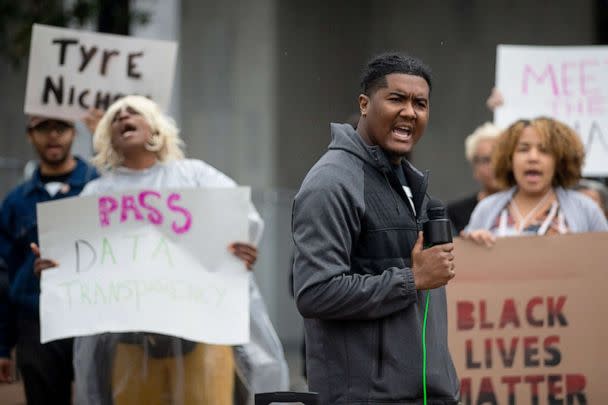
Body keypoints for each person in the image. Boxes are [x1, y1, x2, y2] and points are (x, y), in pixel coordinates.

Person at [35, 95, 288, 404]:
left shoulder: (195, 176)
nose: (124, 117)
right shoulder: (97, 194)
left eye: (134, 112)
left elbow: (241, 221)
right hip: (130, 348)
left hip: (201, 342)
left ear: (155, 128)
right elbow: (76, 258)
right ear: (107, 137)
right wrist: (55, 268)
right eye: (115, 116)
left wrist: (242, 248)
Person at [292, 53, 459, 404]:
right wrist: (412, 279)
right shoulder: (332, 183)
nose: (410, 112)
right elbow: (315, 292)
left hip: (428, 396)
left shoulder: (409, 183)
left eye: (420, 103)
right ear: (365, 104)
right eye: (396, 99)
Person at [0, 115, 98, 404]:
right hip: (36, 321)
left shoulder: (100, 189)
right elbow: (3, 275)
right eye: (43, 128)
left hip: (93, 318)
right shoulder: (15, 202)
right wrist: (3, 346)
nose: (53, 136)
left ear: (73, 133)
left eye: (61, 128)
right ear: (30, 134)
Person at [463, 117, 608, 246]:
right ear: (509, 159)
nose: (533, 157)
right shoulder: (486, 209)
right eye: (523, 149)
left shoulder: (586, 209)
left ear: (559, 161)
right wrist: (473, 245)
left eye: (544, 150)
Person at [447, 122, 501, 233]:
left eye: (500, 158)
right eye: (487, 160)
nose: (495, 166)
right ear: (474, 167)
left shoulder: (522, 208)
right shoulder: (455, 213)